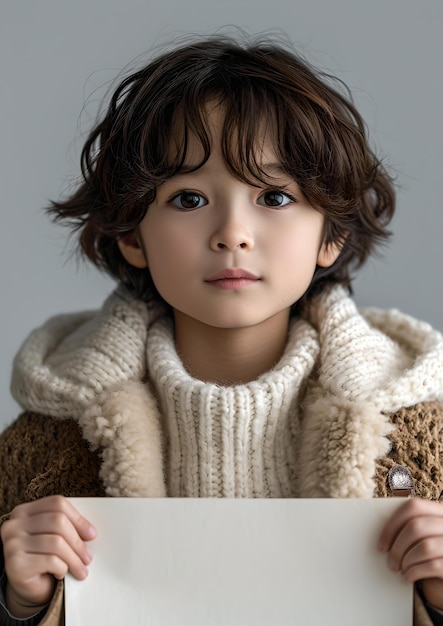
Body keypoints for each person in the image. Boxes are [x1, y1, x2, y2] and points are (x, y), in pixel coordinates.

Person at [1, 33, 443, 626]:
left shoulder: (423, 441)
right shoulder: (41, 448)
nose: (232, 232)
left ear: (330, 235)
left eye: (275, 196)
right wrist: (19, 603)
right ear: (132, 234)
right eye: (188, 199)